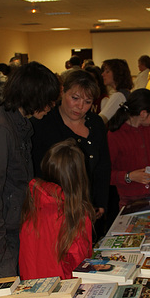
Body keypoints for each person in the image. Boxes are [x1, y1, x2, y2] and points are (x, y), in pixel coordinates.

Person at [0, 62, 60, 279]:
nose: (50, 107)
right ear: (33, 96)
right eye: (48, 101)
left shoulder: (17, 124)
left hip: (13, 228)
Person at [31, 69, 110, 222]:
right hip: (53, 211)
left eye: (87, 102)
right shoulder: (42, 124)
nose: (80, 106)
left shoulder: (96, 123)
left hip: (88, 207)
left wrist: (100, 201)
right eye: (75, 98)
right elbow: (36, 174)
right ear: (62, 92)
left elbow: (103, 166)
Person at [19, 139, 95, 280]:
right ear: (79, 176)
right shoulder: (75, 213)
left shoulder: (33, 202)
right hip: (63, 291)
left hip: (31, 289)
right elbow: (81, 265)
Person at [107, 88, 150, 207]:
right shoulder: (115, 135)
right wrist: (129, 176)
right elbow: (106, 173)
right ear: (143, 113)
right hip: (131, 198)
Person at [99, 59, 133, 123]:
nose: (102, 74)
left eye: (107, 71)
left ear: (117, 74)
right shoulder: (125, 93)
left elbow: (100, 120)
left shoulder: (118, 96)